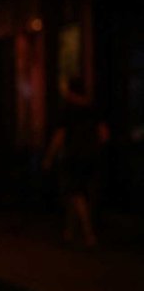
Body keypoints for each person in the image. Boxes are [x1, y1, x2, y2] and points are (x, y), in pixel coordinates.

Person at [42, 77, 109, 249]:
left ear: (71, 92)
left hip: (74, 156)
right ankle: (69, 232)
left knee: (75, 193)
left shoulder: (68, 111)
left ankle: (88, 234)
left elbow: (59, 136)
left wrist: (49, 157)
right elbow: (104, 134)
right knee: (78, 194)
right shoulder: (94, 109)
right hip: (92, 157)